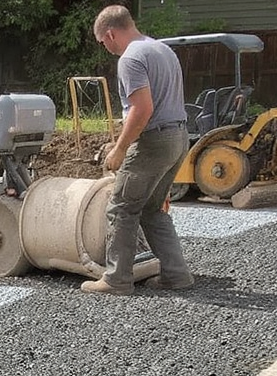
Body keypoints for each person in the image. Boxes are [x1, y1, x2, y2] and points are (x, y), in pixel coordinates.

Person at [81, 5, 195, 294]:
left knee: (121, 208)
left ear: (110, 33)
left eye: (102, 42)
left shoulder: (130, 58)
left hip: (154, 141)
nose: (105, 48)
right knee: (153, 209)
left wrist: (119, 149)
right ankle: (177, 275)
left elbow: (142, 109)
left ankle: (116, 279)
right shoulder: (162, 49)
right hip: (179, 137)